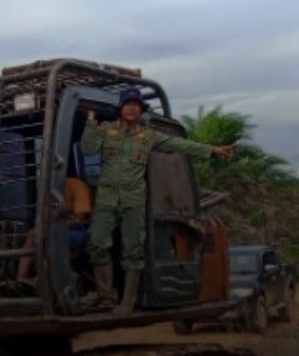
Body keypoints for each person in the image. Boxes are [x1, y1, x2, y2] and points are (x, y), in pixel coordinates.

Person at [80, 87, 235, 315]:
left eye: (136, 105)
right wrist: (90, 121)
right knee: (96, 244)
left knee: (133, 251)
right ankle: (105, 296)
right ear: (120, 109)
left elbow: (180, 145)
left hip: (133, 201)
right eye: (128, 104)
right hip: (106, 200)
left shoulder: (149, 136)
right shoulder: (105, 130)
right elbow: (87, 148)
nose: (132, 108)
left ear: (140, 110)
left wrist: (213, 150)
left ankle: (127, 303)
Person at [15, 175, 92, 284]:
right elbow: (45, 217)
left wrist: (54, 226)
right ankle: (20, 281)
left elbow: (80, 218)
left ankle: (40, 281)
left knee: (52, 240)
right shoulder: (48, 191)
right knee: (33, 235)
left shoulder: (76, 185)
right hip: (54, 229)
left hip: (77, 231)